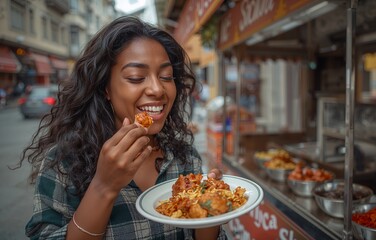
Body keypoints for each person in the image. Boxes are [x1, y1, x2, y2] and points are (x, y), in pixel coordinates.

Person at [18, 16, 226, 240]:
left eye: (166, 76)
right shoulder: (63, 163)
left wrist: (210, 207)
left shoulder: (184, 158)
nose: (158, 89)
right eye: (136, 77)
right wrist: (103, 186)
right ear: (105, 88)